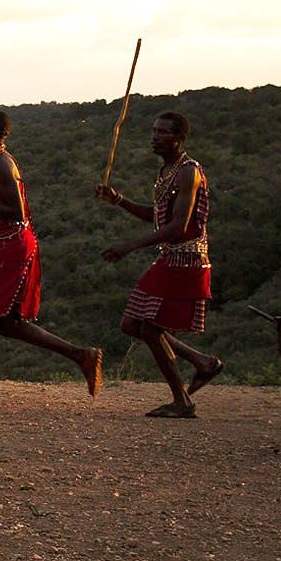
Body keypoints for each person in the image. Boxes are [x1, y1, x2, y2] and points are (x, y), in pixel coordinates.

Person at [0, 110, 102, 405]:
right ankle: (82, 355)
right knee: (7, 324)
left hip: (9, 247)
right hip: (5, 244)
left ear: (1, 134)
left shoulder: (3, 164)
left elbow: (16, 211)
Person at [97, 111, 223, 418]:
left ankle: (182, 400)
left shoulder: (188, 172)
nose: (154, 136)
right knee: (132, 324)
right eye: (153, 131)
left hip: (187, 258)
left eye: (162, 132)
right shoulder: (168, 170)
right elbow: (157, 217)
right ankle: (202, 363)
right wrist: (118, 200)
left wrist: (129, 246)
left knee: (149, 328)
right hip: (172, 257)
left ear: (179, 138)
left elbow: (178, 227)